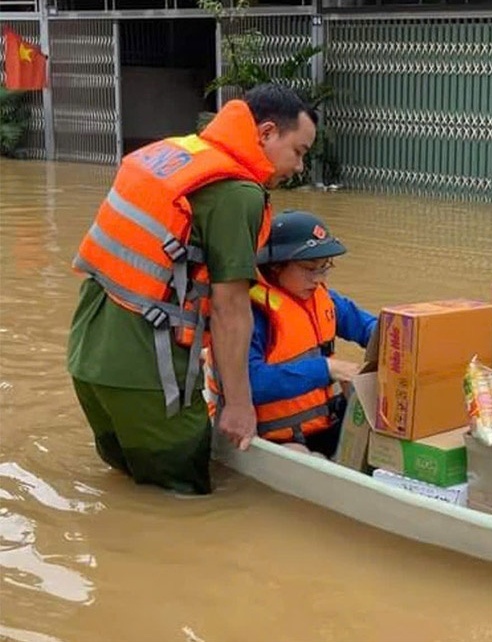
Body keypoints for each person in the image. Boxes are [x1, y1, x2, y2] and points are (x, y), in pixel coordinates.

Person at [67, 84, 318, 495]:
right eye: (300, 152)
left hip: (88, 358)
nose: (299, 167)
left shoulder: (176, 152)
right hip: (148, 374)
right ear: (268, 133)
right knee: (184, 505)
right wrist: (238, 406)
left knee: (129, 492)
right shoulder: (238, 193)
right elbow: (230, 308)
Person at [204, 210, 376, 458]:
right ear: (275, 266)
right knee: (305, 455)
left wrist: (400, 337)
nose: (318, 279)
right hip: (272, 435)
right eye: (309, 268)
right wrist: (327, 369)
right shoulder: (250, 316)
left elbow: (369, 327)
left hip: (322, 424)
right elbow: (250, 384)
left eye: (324, 268)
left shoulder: (324, 299)